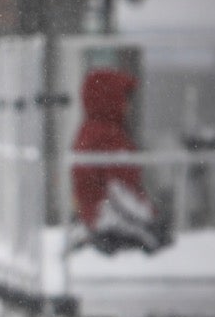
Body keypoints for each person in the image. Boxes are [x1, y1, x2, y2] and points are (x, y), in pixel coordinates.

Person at [71, 68, 167, 254]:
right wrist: (150, 219)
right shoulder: (110, 136)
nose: (128, 105)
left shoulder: (89, 131)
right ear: (111, 99)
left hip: (95, 219)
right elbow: (120, 190)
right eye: (125, 98)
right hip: (110, 222)